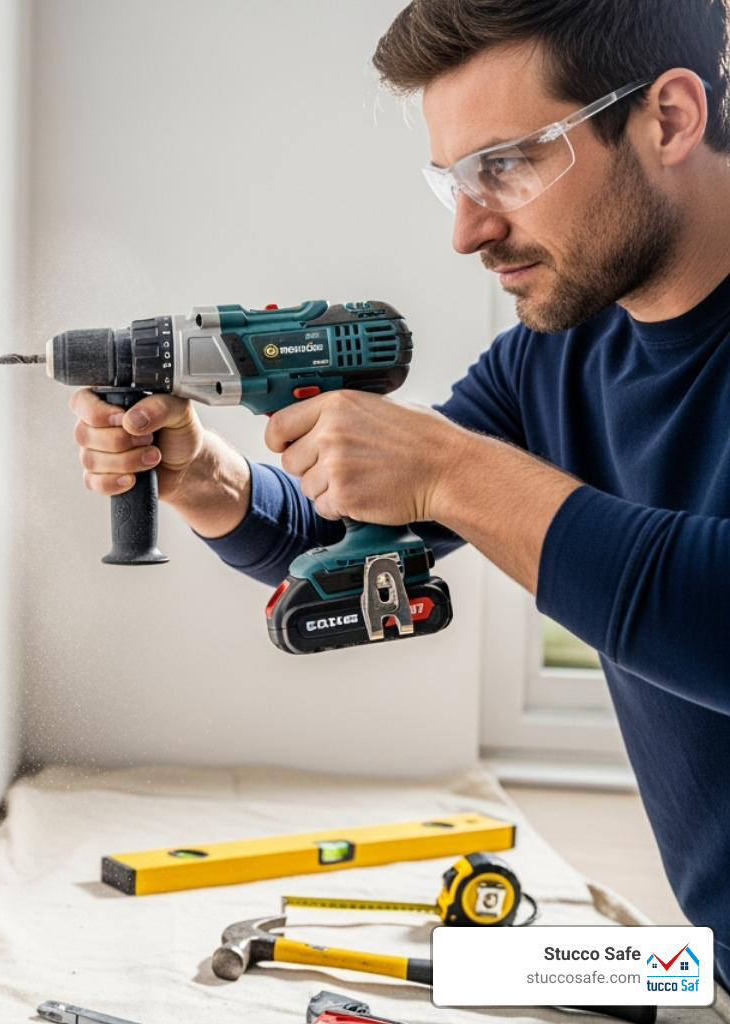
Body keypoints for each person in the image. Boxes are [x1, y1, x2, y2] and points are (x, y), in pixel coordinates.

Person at [70, 0, 730, 989]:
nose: (469, 228)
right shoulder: (548, 365)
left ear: (669, 119)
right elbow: (351, 544)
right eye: (453, 179)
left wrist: (454, 469)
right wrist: (206, 477)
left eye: (507, 163)